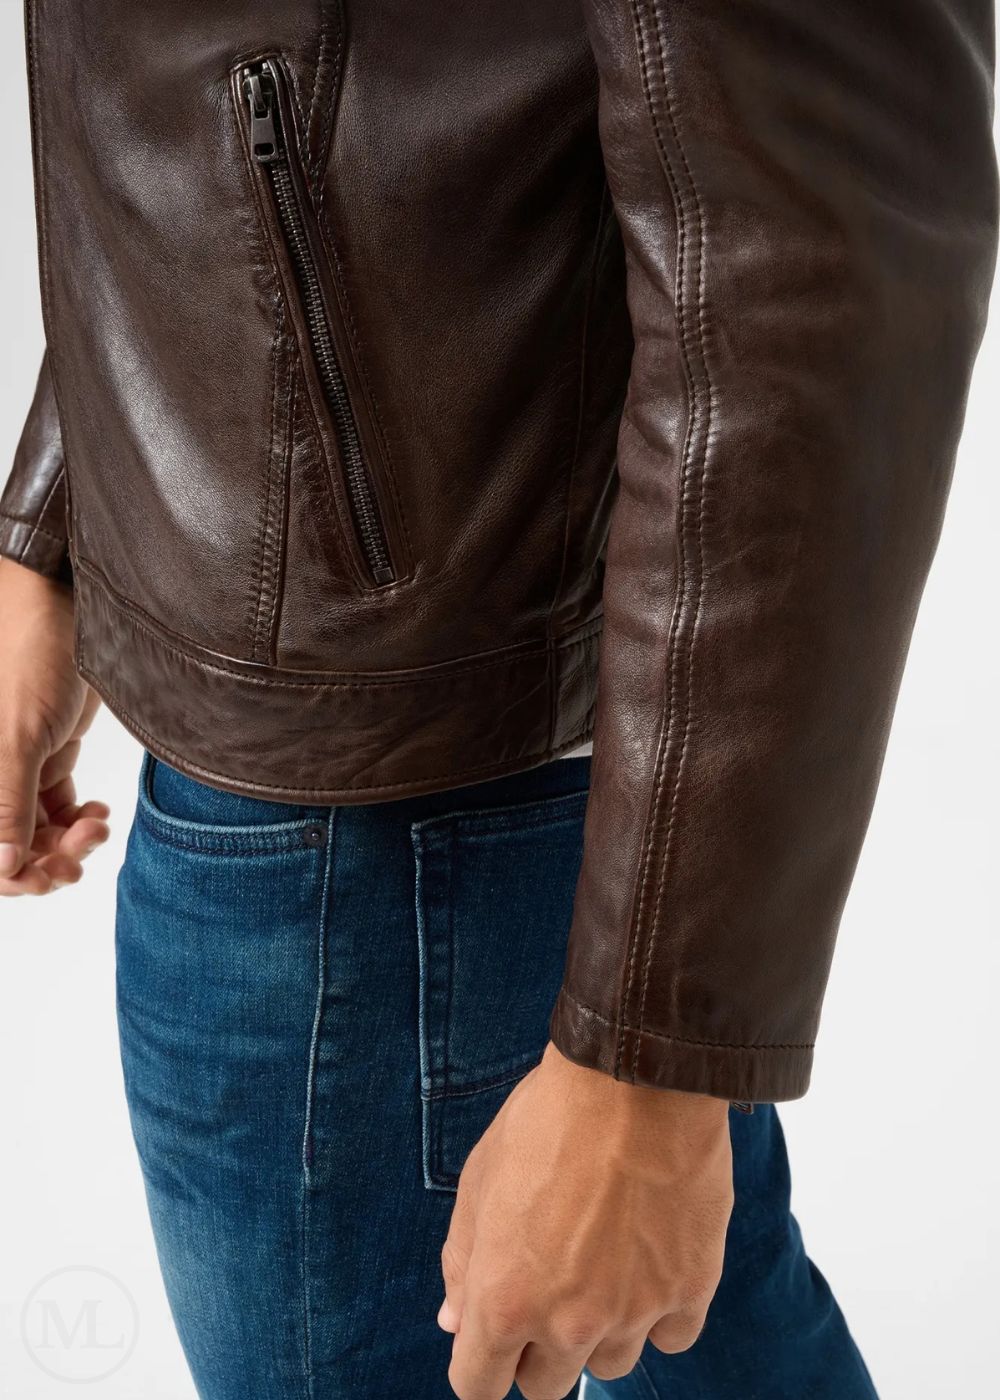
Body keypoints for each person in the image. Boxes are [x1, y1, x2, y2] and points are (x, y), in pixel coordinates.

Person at [0, 3, 995, 1398]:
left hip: (392, 824)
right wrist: (55, 522)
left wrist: (646, 1056)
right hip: (372, 761)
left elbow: (814, 263)